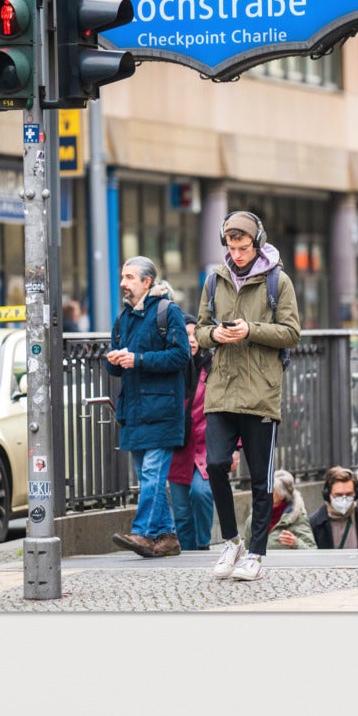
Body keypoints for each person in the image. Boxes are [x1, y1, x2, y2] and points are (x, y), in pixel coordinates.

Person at [190, 210, 301, 582]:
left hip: (260, 393)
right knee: (216, 464)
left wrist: (250, 330)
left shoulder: (278, 281)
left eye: (244, 247)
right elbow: (201, 329)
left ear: (257, 242)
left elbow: (290, 332)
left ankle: (255, 553)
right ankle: (232, 541)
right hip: (221, 389)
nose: (237, 254)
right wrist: (214, 336)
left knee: (260, 479)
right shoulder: (213, 280)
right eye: (232, 247)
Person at [104, 257, 189, 558]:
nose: (123, 283)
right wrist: (114, 360)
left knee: (152, 475)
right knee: (147, 477)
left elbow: (181, 356)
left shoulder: (169, 312)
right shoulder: (124, 318)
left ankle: (141, 533)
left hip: (162, 411)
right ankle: (167, 538)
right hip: (135, 411)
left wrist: (138, 360)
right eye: (122, 277)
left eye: (129, 277)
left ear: (147, 282)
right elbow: (116, 368)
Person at [167, 357, 214, 551]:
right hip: (178, 446)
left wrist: (235, 448)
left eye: (195, 334)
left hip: (207, 445)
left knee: (201, 491)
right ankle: (188, 552)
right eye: (186, 334)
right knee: (181, 511)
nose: (192, 339)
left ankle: (203, 544)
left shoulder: (212, 367)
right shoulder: (171, 366)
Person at [310, 466, 358, 550]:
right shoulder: (315, 522)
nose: (344, 499)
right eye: (338, 495)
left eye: (349, 494)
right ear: (328, 494)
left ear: (356, 494)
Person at [265, 467, 314, 550]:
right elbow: (246, 551)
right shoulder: (255, 517)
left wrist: (296, 543)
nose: (267, 493)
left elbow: (312, 551)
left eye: (272, 490)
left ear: (282, 495)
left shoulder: (297, 516)